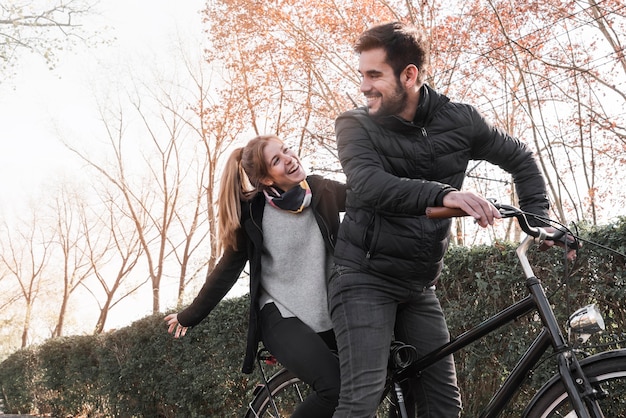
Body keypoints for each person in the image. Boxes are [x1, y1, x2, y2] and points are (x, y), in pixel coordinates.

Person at [329, 21, 559, 417]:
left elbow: (520, 158)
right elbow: (368, 185)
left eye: (374, 75)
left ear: (410, 75)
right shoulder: (355, 125)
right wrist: (445, 193)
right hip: (363, 277)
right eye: (362, 75)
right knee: (361, 400)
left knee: (444, 405)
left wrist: (538, 220)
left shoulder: (461, 120)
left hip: (419, 284)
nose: (364, 87)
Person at [165, 135, 346, 418]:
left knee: (375, 377)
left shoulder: (322, 190)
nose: (288, 158)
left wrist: (427, 196)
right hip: (282, 317)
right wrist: (189, 316)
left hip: (329, 313)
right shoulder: (254, 215)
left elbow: (370, 198)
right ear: (267, 179)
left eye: (286, 150)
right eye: (276, 160)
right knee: (334, 389)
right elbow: (226, 270)